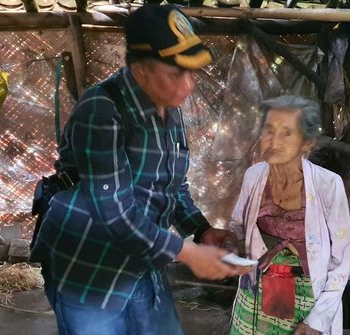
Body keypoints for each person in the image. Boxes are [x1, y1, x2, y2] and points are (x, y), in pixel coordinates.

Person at [31, 5, 249, 334]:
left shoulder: (169, 109)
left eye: (193, 73)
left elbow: (171, 186)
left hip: (142, 265)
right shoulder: (101, 110)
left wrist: (201, 230)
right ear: (141, 68)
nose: (189, 84)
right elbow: (114, 214)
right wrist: (188, 253)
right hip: (90, 271)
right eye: (178, 72)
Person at [228, 96, 350, 335]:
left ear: (307, 142)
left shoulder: (328, 185)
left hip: (306, 306)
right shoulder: (254, 176)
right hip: (253, 298)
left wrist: (317, 320)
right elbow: (238, 226)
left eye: (287, 133)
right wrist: (230, 245)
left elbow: (342, 260)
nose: (274, 141)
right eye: (269, 130)